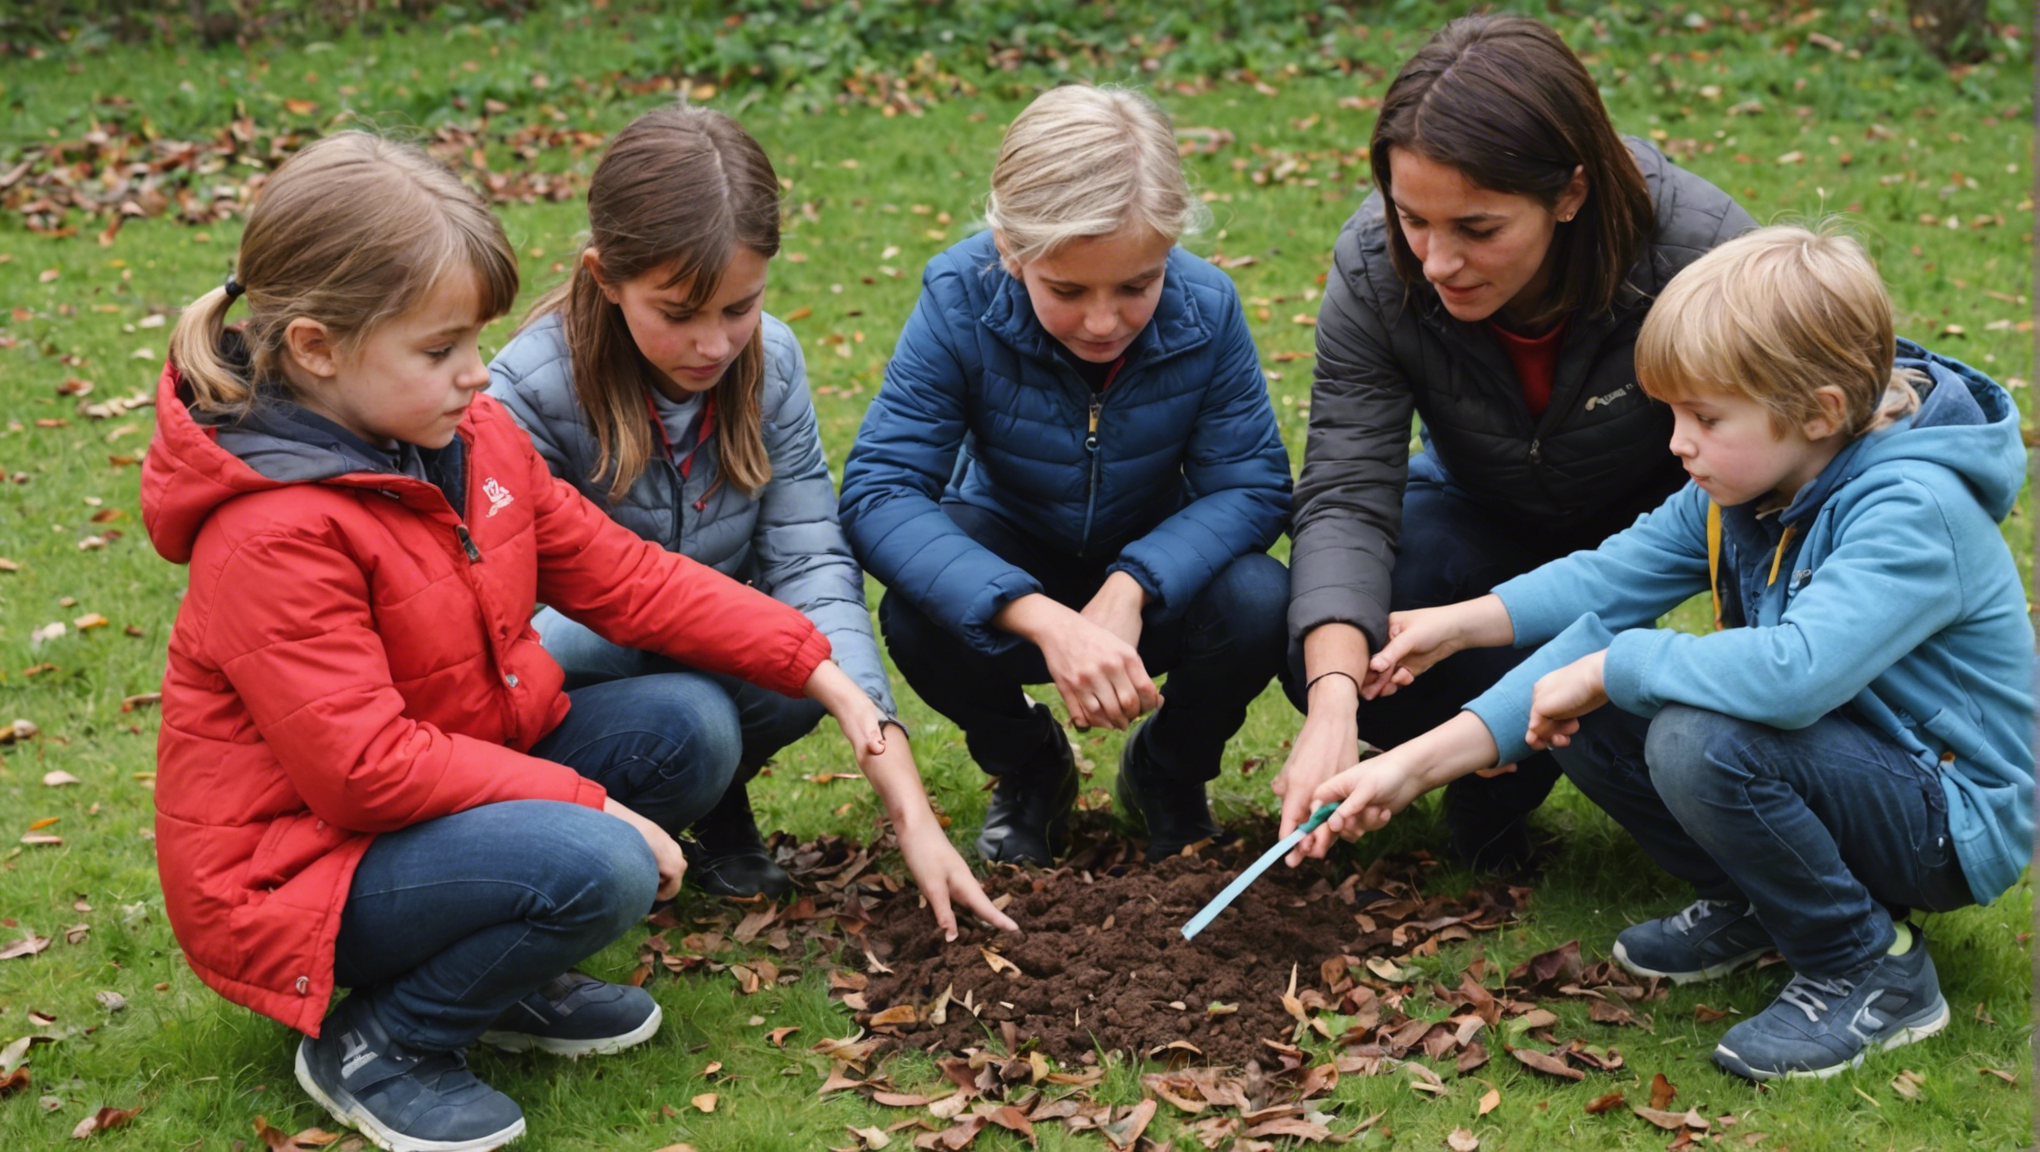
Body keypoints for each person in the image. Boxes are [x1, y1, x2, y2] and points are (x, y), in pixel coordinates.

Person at [142, 132, 934, 1152]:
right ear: (316, 349)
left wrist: (820, 668)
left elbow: (629, 579)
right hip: (299, 867)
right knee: (599, 861)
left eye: (476, 340)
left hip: (437, 795)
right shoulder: (275, 529)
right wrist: (593, 805)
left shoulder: (466, 441)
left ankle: (499, 981)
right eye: (440, 351)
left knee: (689, 727)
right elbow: (365, 772)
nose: (478, 375)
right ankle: (383, 1043)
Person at [1297, 225, 2034, 1081]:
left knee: (1691, 728)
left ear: (1821, 410)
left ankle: (1866, 963)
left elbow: (1795, 676)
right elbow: (1610, 583)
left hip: (1944, 818)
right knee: (1596, 691)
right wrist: (1450, 658)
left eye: (1706, 418)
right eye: (1673, 413)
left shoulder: (1909, 509)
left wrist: (1619, 668)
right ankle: (1763, 904)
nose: (1678, 443)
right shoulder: (1753, 481)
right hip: (1844, 766)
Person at [486, 104, 1009, 931]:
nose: (714, 343)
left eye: (740, 307)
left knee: (812, 660)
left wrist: (909, 804)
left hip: (717, 645)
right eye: (678, 312)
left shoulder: (772, 366)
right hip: (577, 676)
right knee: (695, 709)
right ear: (604, 277)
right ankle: (602, 818)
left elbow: (811, 566)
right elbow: (508, 619)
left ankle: (715, 805)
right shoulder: (525, 392)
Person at [1279, 13, 1756, 869]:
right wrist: (1332, 707)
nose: (1434, 261)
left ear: (1569, 194)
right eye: (1412, 218)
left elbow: (1784, 473)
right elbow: (1347, 491)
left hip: (1654, 524)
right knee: (1354, 625)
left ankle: (1528, 772)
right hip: (1482, 508)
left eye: (1478, 229)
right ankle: (1490, 783)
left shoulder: (1703, 254)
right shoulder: (1372, 266)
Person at [839, 84, 1292, 866]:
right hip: (1012, 561)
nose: (1104, 321)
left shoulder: (1208, 308)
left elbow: (1251, 486)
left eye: (1136, 286)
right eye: (1068, 290)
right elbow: (881, 489)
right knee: (916, 612)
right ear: (1012, 253)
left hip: (1157, 577)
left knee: (1259, 600)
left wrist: (1132, 586)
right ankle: (1028, 766)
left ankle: (1169, 770)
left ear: (1169, 252)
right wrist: (1039, 616)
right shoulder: (958, 299)